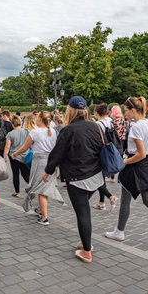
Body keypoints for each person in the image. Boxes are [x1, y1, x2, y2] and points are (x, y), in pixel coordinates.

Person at [105, 97, 148, 248]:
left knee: (126, 200)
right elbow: (145, 153)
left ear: (133, 110)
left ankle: (120, 231)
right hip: (146, 165)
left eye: (126, 110)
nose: (125, 114)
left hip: (135, 165)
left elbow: (140, 153)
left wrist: (125, 162)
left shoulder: (136, 127)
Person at [43, 96, 102, 263]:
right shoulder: (95, 126)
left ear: (71, 110)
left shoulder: (68, 130)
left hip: (77, 177)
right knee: (84, 210)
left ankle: (87, 250)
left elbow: (57, 153)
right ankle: (85, 241)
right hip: (95, 175)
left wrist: (48, 171)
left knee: (83, 213)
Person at [12, 111, 64, 226]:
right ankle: (41, 210)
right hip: (51, 162)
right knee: (44, 188)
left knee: (42, 191)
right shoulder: (54, 132)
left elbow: (24, 148)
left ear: (40, 119)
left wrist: (14, 154)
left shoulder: (35, 132)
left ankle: (44, 218)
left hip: (40, 163)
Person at [92, 103, 118, 211]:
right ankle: (101, 203)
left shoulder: (97, 124)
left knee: (96, 178)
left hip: (100, 152)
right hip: (110, 151)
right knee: (100, 177)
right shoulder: (110, 122)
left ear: (97, 113)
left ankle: (110, 196)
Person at [3, 116, 30, 197]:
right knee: (25, 174)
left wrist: (4, 157)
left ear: (12, 124)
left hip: (14, 156)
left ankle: (17, 192)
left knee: (15, 174)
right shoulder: (26, 132)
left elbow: (7, 146)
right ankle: (33, 187)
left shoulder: (10, 134)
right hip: (25, 155)